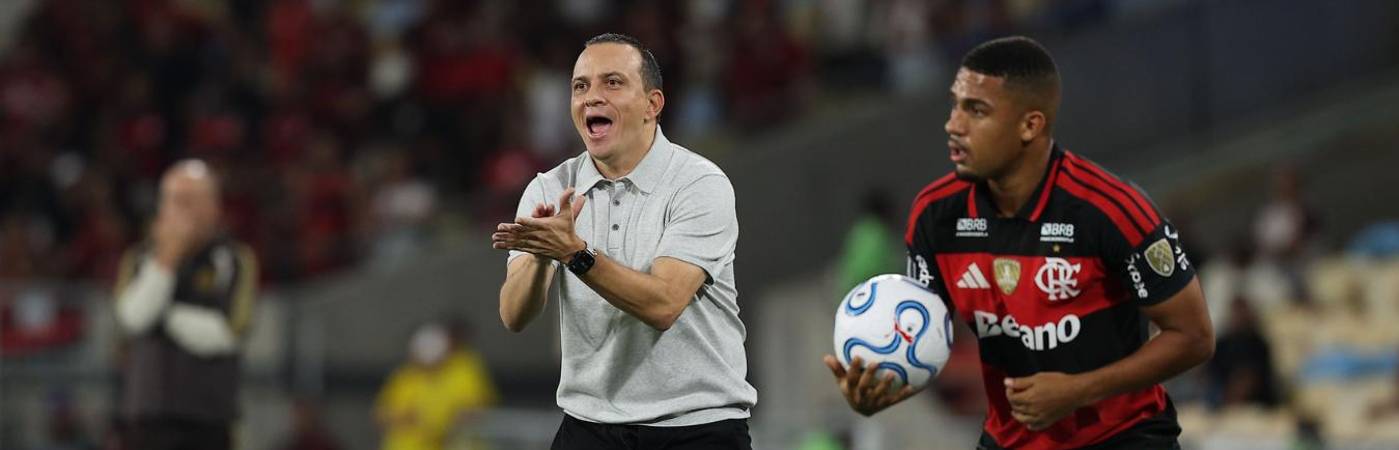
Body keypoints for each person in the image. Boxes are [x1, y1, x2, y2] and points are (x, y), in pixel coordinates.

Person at [822, 36, 1214, 449]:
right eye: (955, 105)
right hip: (1012, 440)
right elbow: (925, 336)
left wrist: (1078, 390)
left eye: (976, 110)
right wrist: (880, 389)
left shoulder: (1111, 210)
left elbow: (1194, 337)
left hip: (1124, 437)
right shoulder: (936, 216)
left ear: (1030, 125)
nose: (953, 124)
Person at [491, 33, 756, 449]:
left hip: (695, 426)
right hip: (589, 425)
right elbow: (514, 316)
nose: (592, 97)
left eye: (612, 82)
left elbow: (663, 304)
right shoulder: (550, 188)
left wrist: (573, 253)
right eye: (581, 86)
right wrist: (543, 256)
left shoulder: (698, 184)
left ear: (653, 104)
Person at [113, 159, 259, 450]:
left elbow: (227, 333)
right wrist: (166, 260)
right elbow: (132, 318)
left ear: (214, 208)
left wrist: (163, 315)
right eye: (173, 200)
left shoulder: (234, 260)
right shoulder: (140, 258)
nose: (181, 210)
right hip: (146, 419)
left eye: (190, 200)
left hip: (208, 421)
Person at [376, 322, 497, 450]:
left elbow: (474, 411)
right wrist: (404, 418)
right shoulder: (405, 377)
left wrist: (440, 426)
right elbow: (382, 415)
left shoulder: (463, 371)